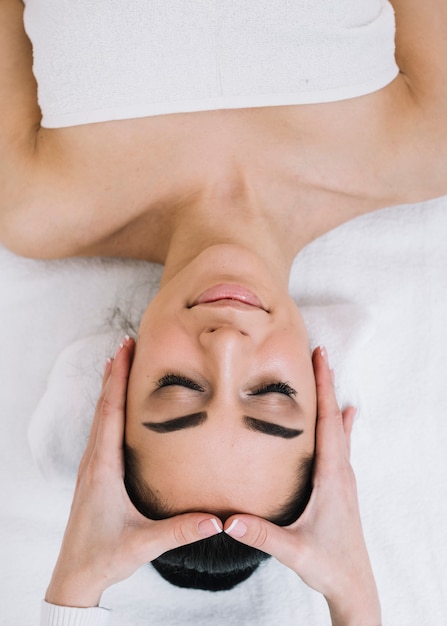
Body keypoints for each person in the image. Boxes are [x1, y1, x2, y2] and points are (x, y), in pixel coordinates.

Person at [0, 0, 446, 623]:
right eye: (272, 394)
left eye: (178, 388)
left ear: (117, 387)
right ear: (322, 397)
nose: (227, 342)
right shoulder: (425, 145)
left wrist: (75, 586)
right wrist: (354, 602)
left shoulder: (35, 204)